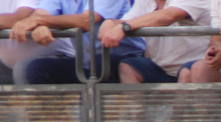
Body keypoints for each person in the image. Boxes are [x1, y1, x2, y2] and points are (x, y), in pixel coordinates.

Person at [10, 0, 140, 83]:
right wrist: (41, 25)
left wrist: (41, 21)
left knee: (99, 64)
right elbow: (39, 15)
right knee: (32, 69)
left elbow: (86, 20)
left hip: (125, 59)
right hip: (87, 64)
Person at [0, 0, 72, 84]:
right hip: (11, 65)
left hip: (56, 59)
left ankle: (33, 120)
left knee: (24, 69)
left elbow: (21, 18)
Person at [98, 0, 211, 83]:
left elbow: (168, 16)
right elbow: (127, 21)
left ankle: (178, 114)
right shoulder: (145, 1)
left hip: (198, 66)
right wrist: (110, 23)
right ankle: (135, 114)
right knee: (128, 66)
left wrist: (123, 27)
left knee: (186, 73)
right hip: (162, 68)